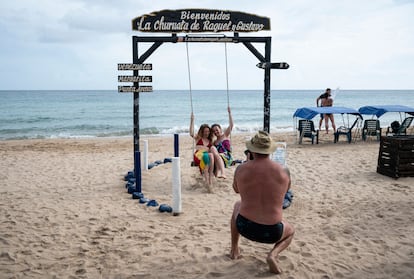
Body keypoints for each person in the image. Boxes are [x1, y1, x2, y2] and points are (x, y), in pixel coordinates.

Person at [230, 131, 295, 274]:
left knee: (237, 205)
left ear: (252, 150)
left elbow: (236, 189)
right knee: (290, 231)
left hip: (245, 226)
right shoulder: (283, 170)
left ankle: (234, 249)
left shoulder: (241, 168)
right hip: (272, 232)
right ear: (270, 150)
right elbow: (286, 190)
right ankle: (273, 254)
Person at [189, 113, 214, 185]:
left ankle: (210, 177)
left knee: (210, 155)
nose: (207, 133)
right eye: (205, 131)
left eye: (208, 131)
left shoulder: (210, 140)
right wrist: (192, 120)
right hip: (198, 155)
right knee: (206, 156)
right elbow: (191, 133)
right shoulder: (198, 138)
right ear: (202, 131)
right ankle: (208, 182)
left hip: (207, 156)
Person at [211, 106, 234, 178]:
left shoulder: (225, 135)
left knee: (218, 155)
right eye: (214, 131)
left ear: (220, 129)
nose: (216, 132)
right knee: (214, 152)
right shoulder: (214, 142)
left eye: (217, 130)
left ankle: (223, 173)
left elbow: (231, 125)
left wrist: (229, 113)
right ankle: (216, 173)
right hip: (219, 158)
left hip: (227, 157)